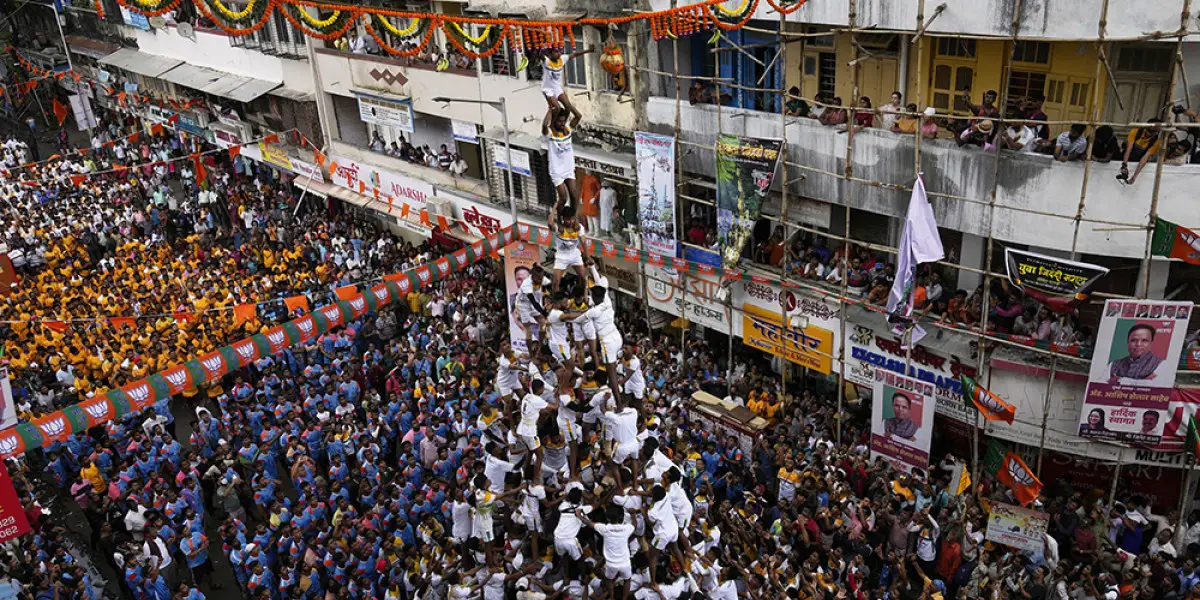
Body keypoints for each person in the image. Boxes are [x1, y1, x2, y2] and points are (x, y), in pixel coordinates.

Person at [540, 45, 596, 125]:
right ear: (550, 54)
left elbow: (575, 54)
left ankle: (564, 125)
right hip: (548, 89)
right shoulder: (547, 61)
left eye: (559, 52)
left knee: (568, 107)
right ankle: (552, 124)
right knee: (557, 108)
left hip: (557, 89)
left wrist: (588, 50)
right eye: (556, 52)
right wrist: (539, 48)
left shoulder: (562, 59)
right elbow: (540, 55)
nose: (559, 54)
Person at [543, 106, 581, 220]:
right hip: (557, 170)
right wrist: (549, 111)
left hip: (568, 168)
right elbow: (544, 126)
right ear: (554, 121)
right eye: (559, 121)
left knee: (574, 194)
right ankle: (559, 218)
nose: (562, 123)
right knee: (563, 197)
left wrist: (568, 105)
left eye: (564, 120)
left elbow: (578, 116)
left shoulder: (568, 129)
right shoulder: (550, 134)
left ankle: (572, 216)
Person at [1120, 119, 1163, 185]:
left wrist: (1135, 176)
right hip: (1126, 157)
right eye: (1154, 130)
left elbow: (1145, 158)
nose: (1155, 133)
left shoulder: (1156, 141)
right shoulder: (1136, 132)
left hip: (1138, 160)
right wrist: (1124, 165)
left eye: (1157, 131)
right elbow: (1128, 149)